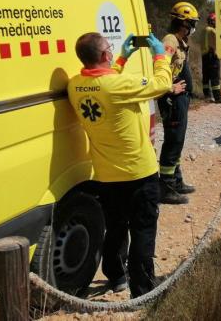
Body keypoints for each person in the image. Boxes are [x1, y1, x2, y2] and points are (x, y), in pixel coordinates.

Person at [67, 31, 173, 297]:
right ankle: (142, 291)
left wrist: (123, 58)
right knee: (142, 232)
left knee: (115, 227)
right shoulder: (119, 86)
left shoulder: (75, 85)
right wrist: (162, 54)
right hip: (139, 173)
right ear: (104, 55)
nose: (112, 52)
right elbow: (162, 83)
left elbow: (103, 79)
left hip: (106, 175)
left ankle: (116, 276)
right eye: (109, 50)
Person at [157, 1, 198, 204]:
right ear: (183, 23)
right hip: (172, 98)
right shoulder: (170, 40)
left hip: (180, 98)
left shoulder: (180, 41)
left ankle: (176, 180)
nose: (193, 27)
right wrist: (170, 88)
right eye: (191, 23)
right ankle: (166, 188)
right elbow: (160, 65)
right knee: (173, 141)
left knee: (178, 140)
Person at [201, 12, 221, 103]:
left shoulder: (204, 30)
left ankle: (207, 96)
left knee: (206, 77)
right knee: (214, 77)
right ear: (213, 22)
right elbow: (220, 42)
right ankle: (218, 97)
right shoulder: (212, 31)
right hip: (212, 56)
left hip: (204, 56)